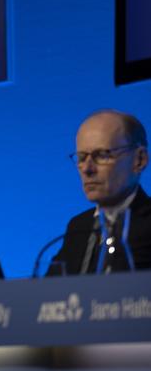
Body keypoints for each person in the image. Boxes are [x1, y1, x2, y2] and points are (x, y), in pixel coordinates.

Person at [50, 109, 151, 274]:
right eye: (82, 158)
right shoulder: (78, 226)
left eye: (102, 155)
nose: (87, 169)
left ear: (139, 160)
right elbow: (50, 294)